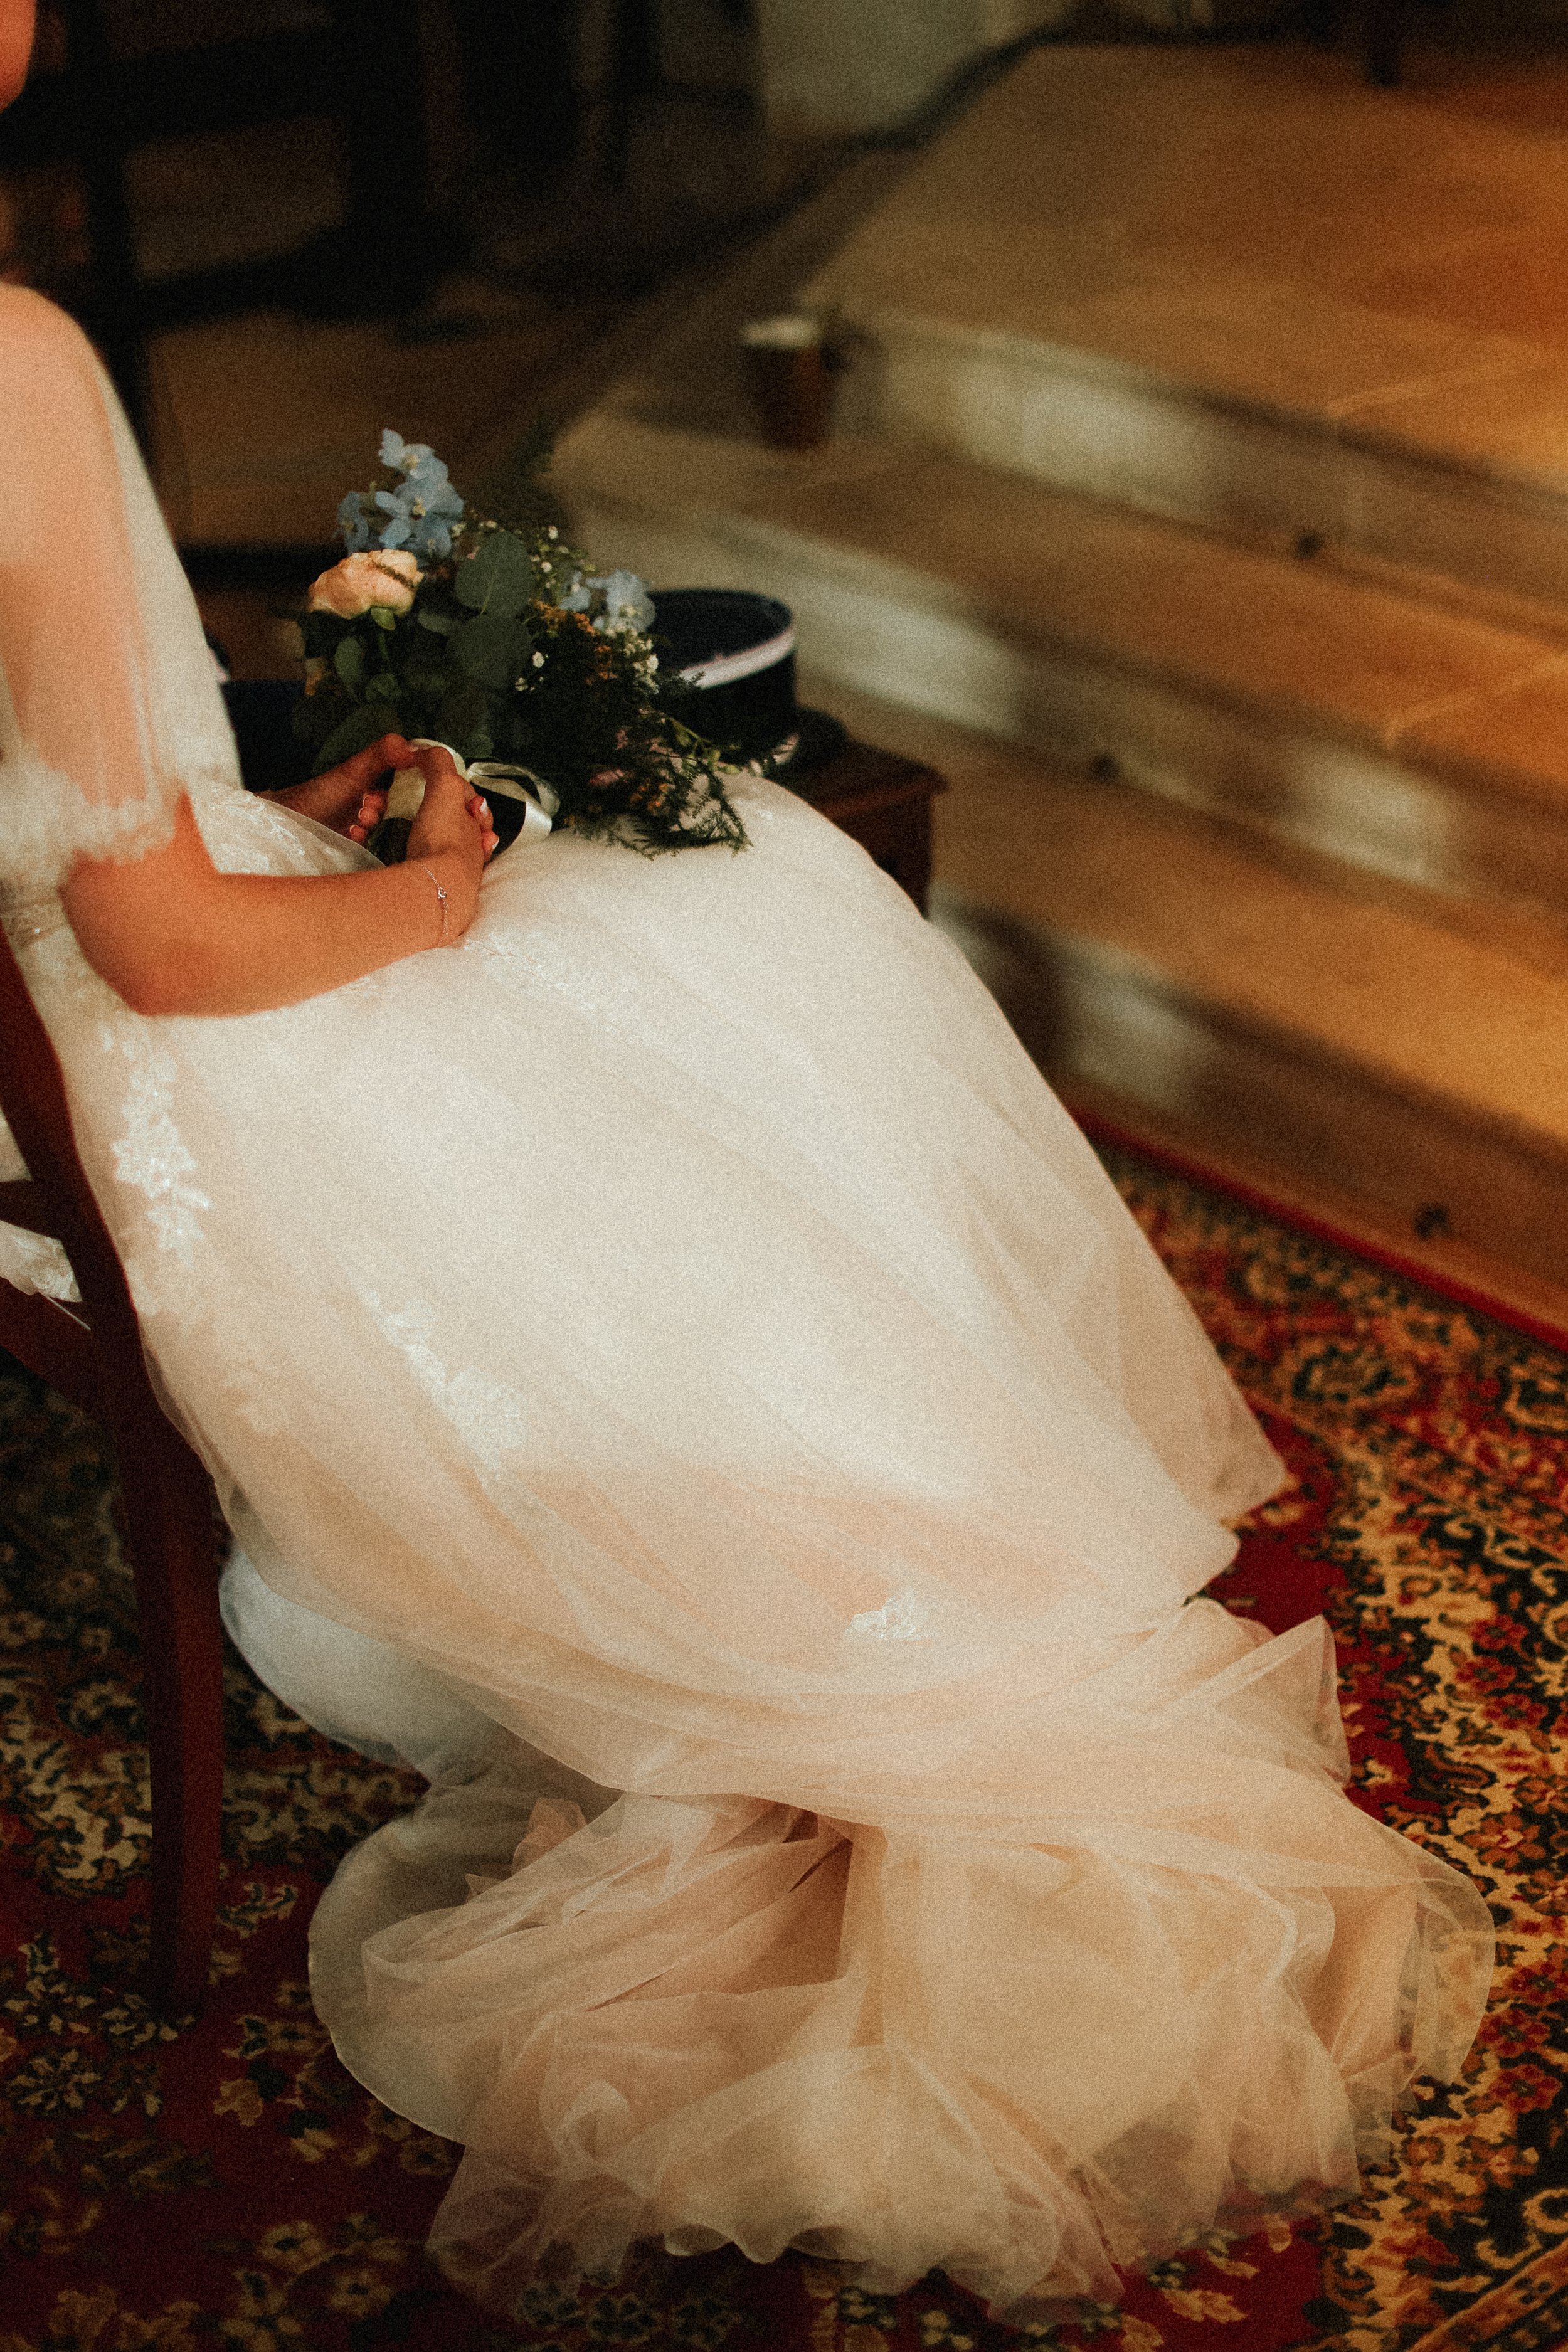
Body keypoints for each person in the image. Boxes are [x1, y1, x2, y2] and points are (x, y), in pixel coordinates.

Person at [0, 2, 1492, 2323]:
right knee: (747, 902)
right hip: (154, 1059)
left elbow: (72, 837)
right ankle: (849, 1513)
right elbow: (159, 943)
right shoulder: (1, 360)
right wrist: (430, 894)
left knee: (687, 959)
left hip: (39, 1020)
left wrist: (272, 818)